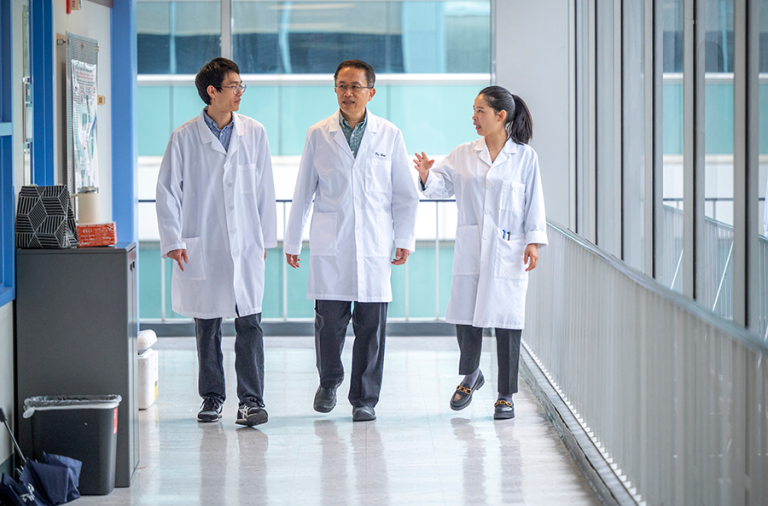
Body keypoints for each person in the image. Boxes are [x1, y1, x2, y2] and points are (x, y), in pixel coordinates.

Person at [284, 59, 419, 422]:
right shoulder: (318, 133)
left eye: (355, 86)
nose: (347, 93)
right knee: (329, 323)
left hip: (375, 243)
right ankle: (329, 382)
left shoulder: (390, 135)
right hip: (332, 242)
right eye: (341, 86)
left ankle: (364, 399)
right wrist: (292, 242)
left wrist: (404, 236)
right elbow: (303, 192)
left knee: (371, 328)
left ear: (370, 92)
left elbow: (405, 193)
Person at [156, 58, 277, 426]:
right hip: (202, 243)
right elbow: (166, 192)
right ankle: (212, 397)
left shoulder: (254, 132)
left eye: (242, 85)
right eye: (233, 86)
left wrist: (265, 240)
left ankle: (251, 400)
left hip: (245, 247)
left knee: (249, 323)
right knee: (207, 324)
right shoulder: (184, 136)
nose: (240, 92)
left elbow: (265, 191)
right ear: (212, 91)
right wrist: (173, 239)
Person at [414, 85, 547, 420]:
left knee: (507, 322)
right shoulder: (463, 153)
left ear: (500, 116)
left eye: (480, 111)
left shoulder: (524, 157)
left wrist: (533, 241)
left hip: (509, 249)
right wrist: (427, 174)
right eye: (473, 111)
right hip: (472, 246)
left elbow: (534, 201)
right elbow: (439, 187)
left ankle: (505, 395)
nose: (473, 117)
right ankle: (471, 376)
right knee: (465, 316)